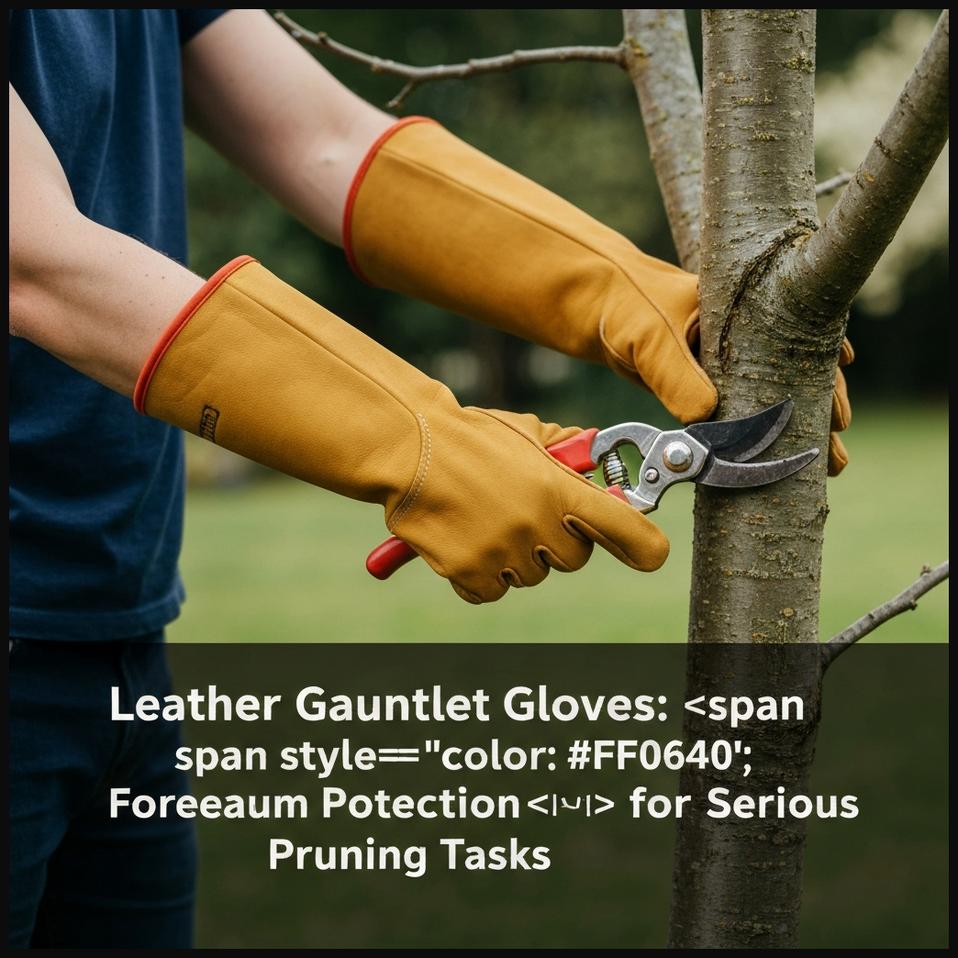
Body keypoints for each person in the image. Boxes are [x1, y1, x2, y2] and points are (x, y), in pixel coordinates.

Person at [8, 9, 852, 948]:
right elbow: (32, 254)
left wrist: (614, 283)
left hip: (117, 638)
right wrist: (419, 444)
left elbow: (328, 142)